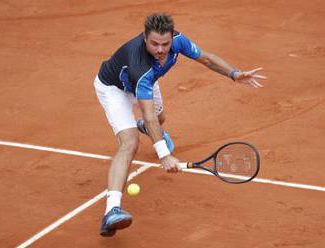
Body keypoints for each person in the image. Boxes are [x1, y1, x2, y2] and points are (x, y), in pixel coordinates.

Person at [94, 13, 266, 237]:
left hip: (146, 84)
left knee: (160, 119)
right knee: (130, 142)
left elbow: (206, 58)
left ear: (172, 37)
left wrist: (233, 74)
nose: (161, 50)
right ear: (145, 38)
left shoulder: (178, 42)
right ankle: (112, 210)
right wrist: (164, 155)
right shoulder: (140, 66)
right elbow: (147, 113)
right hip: (114, 89)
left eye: (165, 44)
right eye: (154, 44)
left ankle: (148, 131)